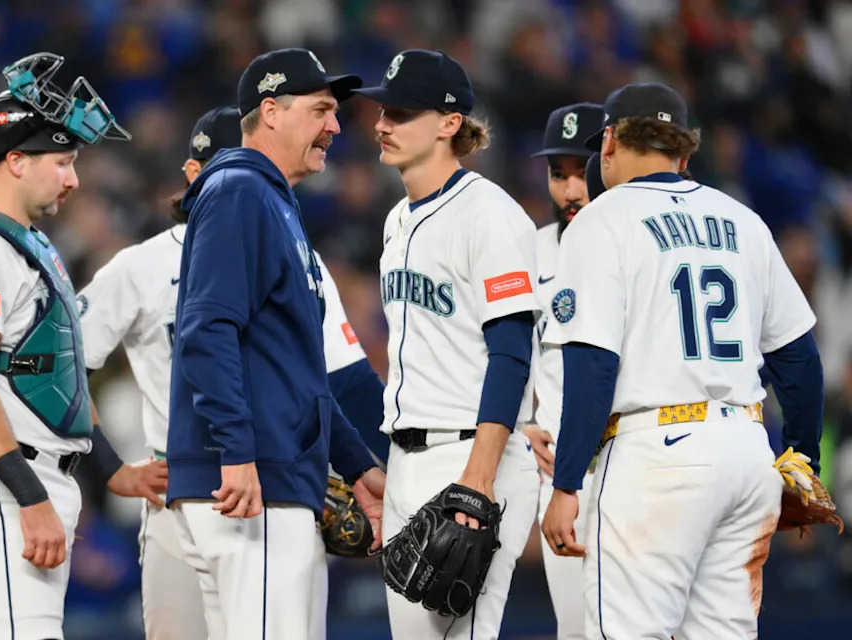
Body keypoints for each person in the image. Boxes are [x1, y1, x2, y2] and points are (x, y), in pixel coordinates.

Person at [77, 105, 388, 640]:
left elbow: (346, 383)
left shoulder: (298, 254)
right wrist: (109, 467)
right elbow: (63, 361)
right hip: (180, 486)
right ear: (192, 174)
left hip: (267, 480)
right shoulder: (141, 265)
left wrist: (389, 472)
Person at [540, 82, 825, 639]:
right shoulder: (743, 221)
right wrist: (804, 462)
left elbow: (592, 369)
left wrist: (567, 484)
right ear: (684, 154)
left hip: (657, 458)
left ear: (611, 141)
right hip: (746, 453)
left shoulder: (602, 221)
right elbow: (799, 361)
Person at [0, 52, 165, 640]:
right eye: (64, 160)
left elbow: (56, 375)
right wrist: (29, 498)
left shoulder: (26, 245)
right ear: (17, 160)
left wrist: (110, 470)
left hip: (25, 479)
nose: (74, 177)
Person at [165, 48, 386, 640]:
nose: (335, 126)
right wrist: (237, 452)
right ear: (270, 111)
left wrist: (357, 464)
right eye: (320, 110)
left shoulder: (272, 200)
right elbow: (206, 331)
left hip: (265, 474)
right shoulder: (240, 189)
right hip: (251, 481)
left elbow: (299, 374)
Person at [353, 49, 540, 639]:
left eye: (401, 112)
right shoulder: (396, 220)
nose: (382, 123)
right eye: (383, 109)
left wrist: (478, 479)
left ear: (449, 123)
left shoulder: (491, 216)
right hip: (407, 459)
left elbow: (511, 354)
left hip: (469, 460)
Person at [523, 102, 603, 640]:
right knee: (575, 630)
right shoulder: (529, 251)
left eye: (582, 172)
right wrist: (518, 428)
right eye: (559, 174)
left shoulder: (636, 244)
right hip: (560, 479)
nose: (570, 190)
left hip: (635, 459)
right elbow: (508, 362)